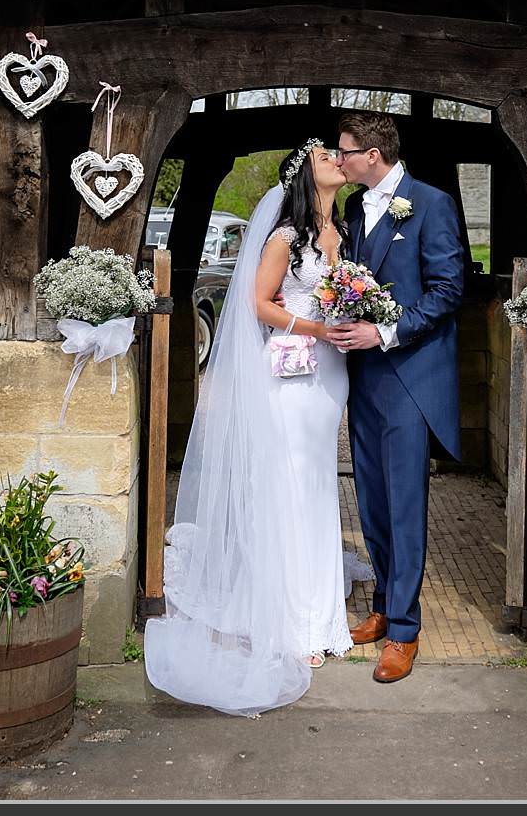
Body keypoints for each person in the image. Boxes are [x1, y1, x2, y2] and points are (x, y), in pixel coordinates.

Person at [146, 139, 362, 715]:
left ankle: (320, 615)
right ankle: (292, 622)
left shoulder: (342, 233)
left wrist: (354, 312)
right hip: (293, 369)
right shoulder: (283, 238)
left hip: (331, 375)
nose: (338, 163)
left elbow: (345, 295)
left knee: (318, 488)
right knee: (289, 489)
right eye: (326, 158)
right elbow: (256, 303)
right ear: (304, 175)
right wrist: (314, 328)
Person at [330, 112, 466, 684]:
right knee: (373, 501)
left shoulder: (430, 204)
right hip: (364, 376)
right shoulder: (356, 211)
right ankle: (385, 605)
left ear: (375, 154)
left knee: (406, 503)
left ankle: (405, 631)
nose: (338, 161)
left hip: (409, 374)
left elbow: (448, 290)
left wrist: (383, 331)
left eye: (345, 152)